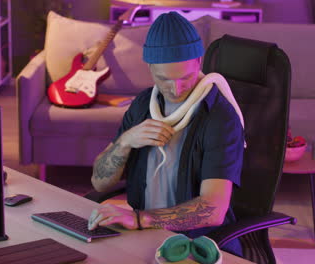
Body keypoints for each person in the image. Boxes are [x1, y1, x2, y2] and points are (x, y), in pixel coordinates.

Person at [88, 11, 245, 257]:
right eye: (164, 79)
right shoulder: (142, 105)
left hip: (199, 243)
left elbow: (212, 209)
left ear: (199, 63)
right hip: (146, 235)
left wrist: (140, 219)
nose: (176, 89)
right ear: (150, 67)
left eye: (186, 78)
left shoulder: (219, 117)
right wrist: (126, 141)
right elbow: (99, 182)